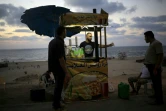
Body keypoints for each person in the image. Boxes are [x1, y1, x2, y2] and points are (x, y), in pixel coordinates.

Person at [48, 26, 71, 111]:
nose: (66, 33)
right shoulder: (59, 42)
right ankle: (56, 105)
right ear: (62, 32)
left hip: (54, 68)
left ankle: (57, 103)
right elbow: (61, 59)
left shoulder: (52, 42)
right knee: (59, 86)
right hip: (59, 68)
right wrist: (66, 72)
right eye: (65, 31)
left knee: (58, 86)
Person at [143, 31, 164, 105]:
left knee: (157, 84)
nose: (144, 39)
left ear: (148, 36)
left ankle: (159, 101)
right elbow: (152, 56)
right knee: (155, 84)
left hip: (154, 67)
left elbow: (160, 56)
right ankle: (156, 96)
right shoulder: (152, 44)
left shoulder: (157, 43)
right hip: (151, 67)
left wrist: (156, 68)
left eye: (145, 37)